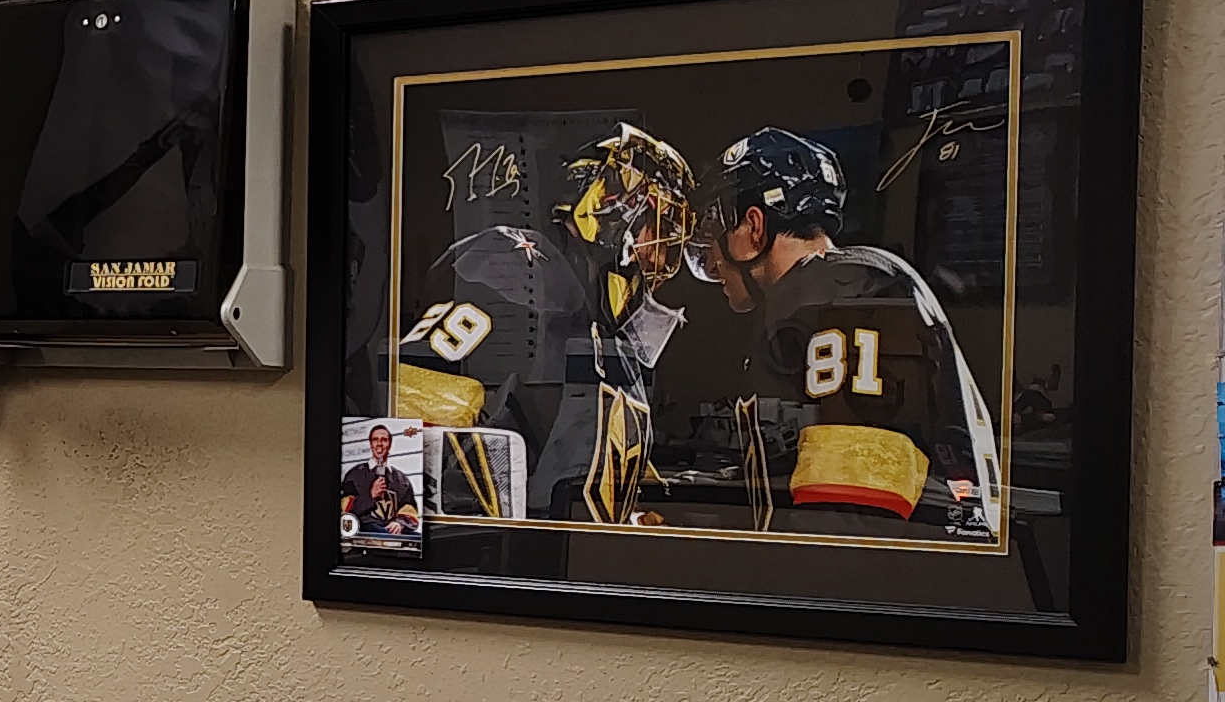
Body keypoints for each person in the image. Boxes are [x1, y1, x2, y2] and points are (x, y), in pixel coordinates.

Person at [682, 128, 998, 534]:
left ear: (754, 225)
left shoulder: (830, 295)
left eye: (715, 230)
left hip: (890, 559)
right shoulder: (851, 280)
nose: (711, 260)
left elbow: (853, 511)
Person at [392, 124, 699, 523]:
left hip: (548, 534)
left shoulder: (600, 311)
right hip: (481, 532)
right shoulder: (524, 265)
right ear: (609, 202)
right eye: (658, 221)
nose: (664, 247)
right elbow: (414, 407)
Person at [339, 422, 423, 541]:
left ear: (390, 444)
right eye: (375, 440)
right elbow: (346, 512)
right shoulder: (355, 475)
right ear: (371, 444)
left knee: (417, 538)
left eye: (384, 440)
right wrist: (370, 495)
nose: (379, 443)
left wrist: (399, 523)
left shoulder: (401, 480)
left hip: (392, 532)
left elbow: (410, 511)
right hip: (365, 529)